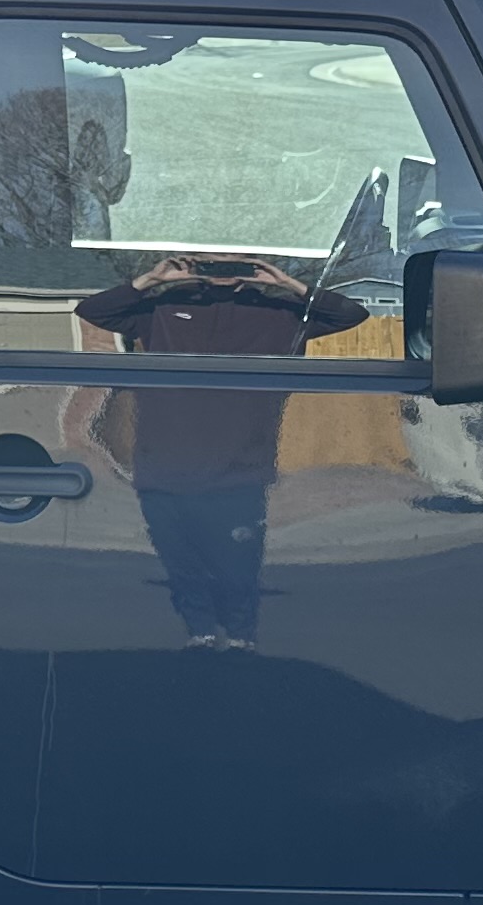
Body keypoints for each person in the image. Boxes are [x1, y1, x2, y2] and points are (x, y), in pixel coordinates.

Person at [72, 253, 367, 648]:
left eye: (234, 260)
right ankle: (201, 634)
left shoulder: (281, 312)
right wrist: (152, 280)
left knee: (238, 564)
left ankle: (242, 638)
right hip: (164, 463)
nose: (223, 266)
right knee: (180, 560)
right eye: (213, 260)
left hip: (240, 465)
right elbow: (92, 311)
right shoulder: (164, 307)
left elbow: (352, 316)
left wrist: (288, 284)